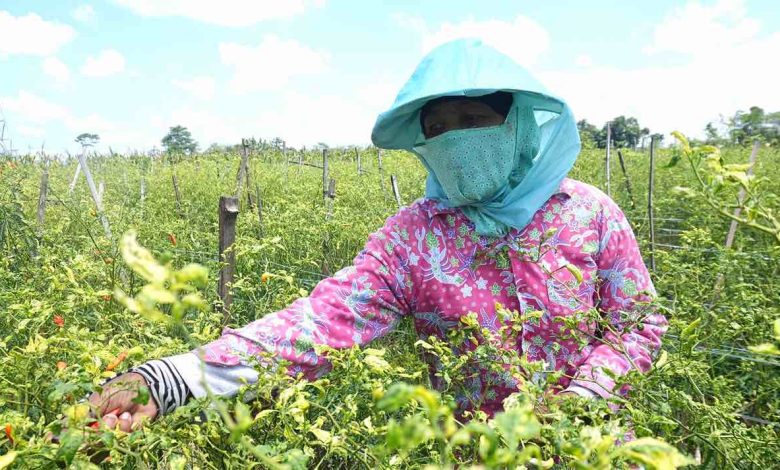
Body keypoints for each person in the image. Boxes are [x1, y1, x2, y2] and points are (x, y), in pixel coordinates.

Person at [88, 39, 667, 432]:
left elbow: (638, 325)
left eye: (471, 121)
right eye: (437, 129)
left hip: (598, 446)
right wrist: (171, 380)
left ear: (513, 124)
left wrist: (577, 405)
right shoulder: (413, 238)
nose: (454, 140)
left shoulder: (589, 213)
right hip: (474, 456)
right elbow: (317, 323)